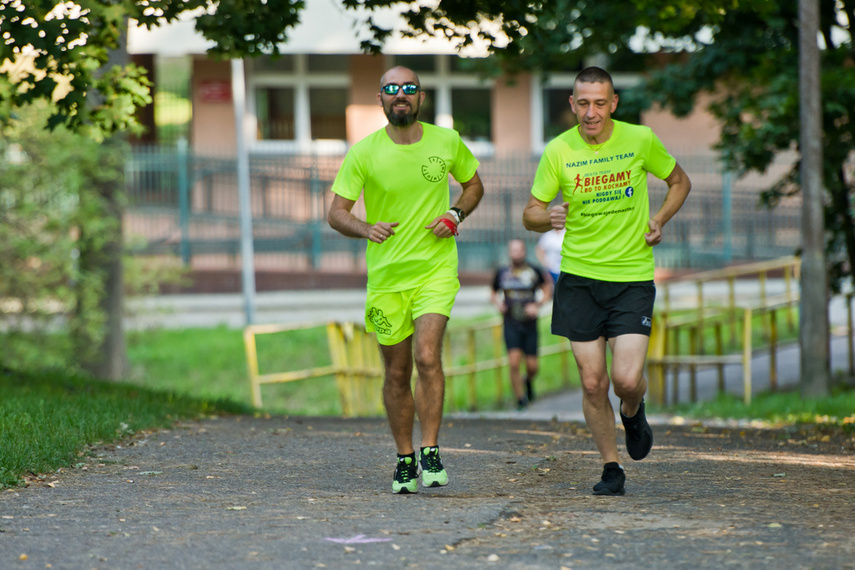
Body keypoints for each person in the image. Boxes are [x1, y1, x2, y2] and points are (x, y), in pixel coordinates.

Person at [522, 67, 691, 496]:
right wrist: (547, 217)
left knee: (626, 381)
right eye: (583, 103)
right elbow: (530, 213)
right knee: (593, 381)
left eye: (600, 103)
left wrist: (659, 220)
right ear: (572, 104)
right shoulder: (558, 151)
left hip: (631, 277)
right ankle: (611, 466)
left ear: (613, 103)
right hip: (578, 280)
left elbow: (678, 182)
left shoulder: (639, 139)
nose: (591, 112)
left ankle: (633, 413)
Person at [327, 66, 484, 494]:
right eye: (392, 89)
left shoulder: (446, 141)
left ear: (421, 97)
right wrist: (366, 228)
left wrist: (455, 214)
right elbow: (336, 213)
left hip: (435, 269)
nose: (401, 95)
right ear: (380, 99)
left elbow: (473, 186)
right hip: (387, 278)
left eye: (409, 89)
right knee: (396, 372)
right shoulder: (363, 153)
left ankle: (430, 449)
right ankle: (404, 458)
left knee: (428, 356)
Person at [491, 239, 552, 410]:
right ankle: (520, 400)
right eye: (513, 250)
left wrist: (538, 305)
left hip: (530, 324)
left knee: (533, 366)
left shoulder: (534, 271)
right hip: (510, 323)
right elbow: (493, 291)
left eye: (519, 250)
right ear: (509, 252)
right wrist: (498, 303)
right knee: (514, 362)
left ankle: (527, 381)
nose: (516, 253)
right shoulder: (502, 272)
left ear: (524, 251)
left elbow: (547, 288)